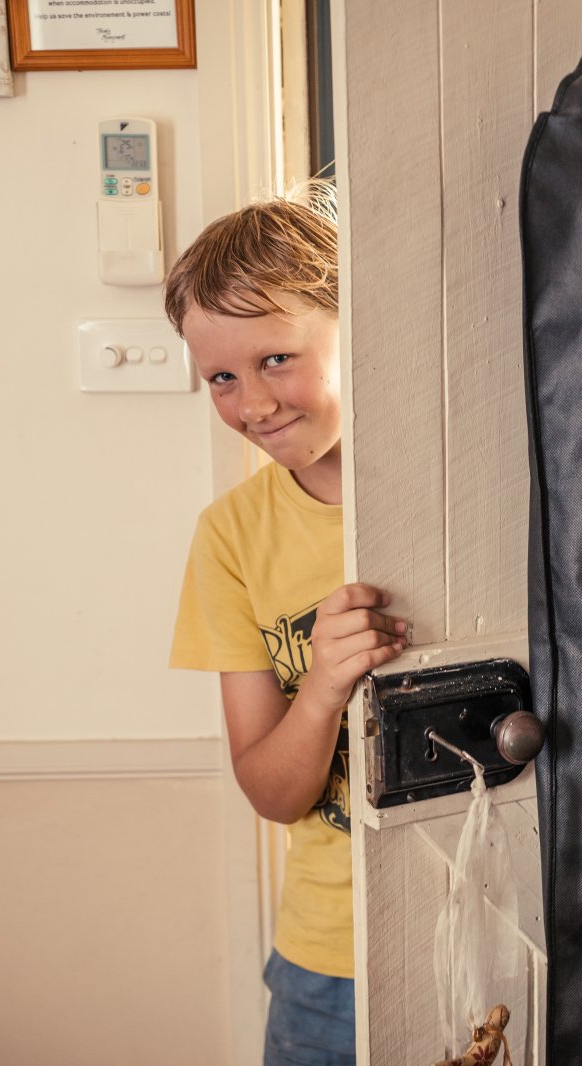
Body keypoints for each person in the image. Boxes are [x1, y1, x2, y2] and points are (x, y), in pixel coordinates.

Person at [165, 184, 408, 1066]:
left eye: (276, 358)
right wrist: (321, 692)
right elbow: (271, 793)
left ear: (357, 326)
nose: (253, 404)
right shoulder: (230, 538)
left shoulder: (459, 490)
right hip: (329, 955)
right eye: (222, 378)